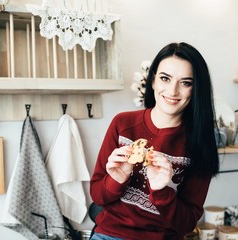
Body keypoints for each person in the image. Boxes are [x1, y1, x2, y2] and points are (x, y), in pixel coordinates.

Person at [90, 42, 219, 240]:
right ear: (152, 81)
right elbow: (98, 196)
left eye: (186, 82)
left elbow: (187, 223)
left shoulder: (199, 143)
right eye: (165, 79)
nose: (173, 91)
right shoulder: (122, 123)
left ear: (196, 90)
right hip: (110, 235)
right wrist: (117, 178)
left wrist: (162, 191)